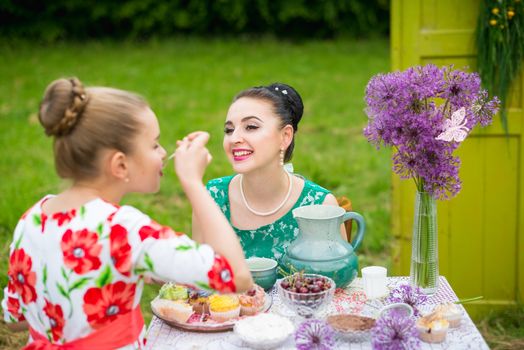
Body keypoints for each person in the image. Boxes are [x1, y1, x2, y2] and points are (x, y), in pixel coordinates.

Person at [1, 78, 253, 349]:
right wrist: (192, 182)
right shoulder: (125, 229)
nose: (164, 152)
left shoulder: (32, 218)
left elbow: (14, 318)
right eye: (154, 144)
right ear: (120, 164)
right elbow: (236, 276)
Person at [192, 83, 345, 267]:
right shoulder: (211, 197)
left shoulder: (319, 205)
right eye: (229, 130)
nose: (234, 138)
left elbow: (338, 283)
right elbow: (198, 280)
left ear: (285, 136)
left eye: (251, 127)